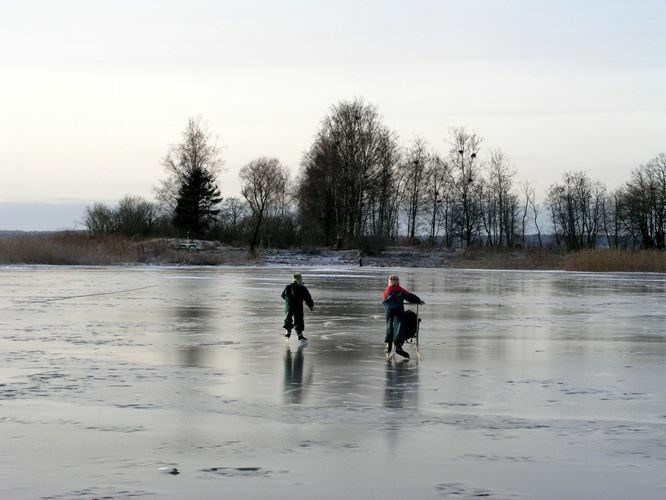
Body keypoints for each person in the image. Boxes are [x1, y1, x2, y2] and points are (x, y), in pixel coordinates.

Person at [382, 274, 424, 359]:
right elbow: (410, 296)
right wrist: (419, 301)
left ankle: (389, 343)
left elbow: (384, 298)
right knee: (399, 325)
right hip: (398, 309)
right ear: (398, 282)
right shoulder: (400, 290)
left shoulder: (386, 291)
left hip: (389, 310)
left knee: (389, 325)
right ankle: (398, 345)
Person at [281, 272, 315, 342]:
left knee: (288, 318)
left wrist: (288, 301)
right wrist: (311, 305)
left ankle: (288, 332)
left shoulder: (288, 287)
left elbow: (282, 295)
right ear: (300, 279)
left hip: (289, 306)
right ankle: (300, 335)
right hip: (298, 306)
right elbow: (307, 298)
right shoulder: (302, 288)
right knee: (298, 319)